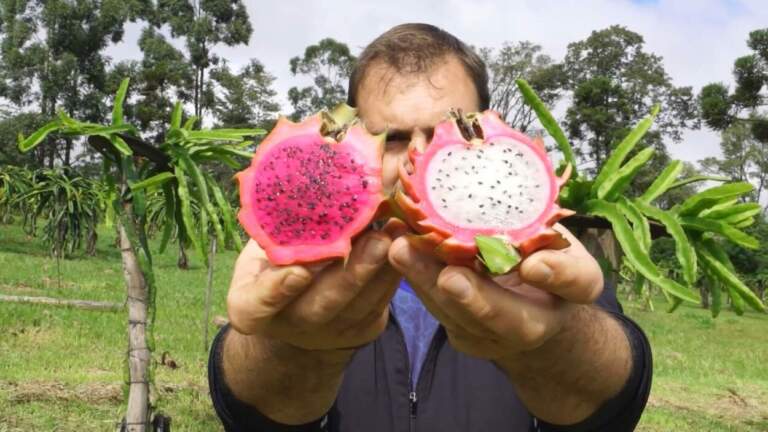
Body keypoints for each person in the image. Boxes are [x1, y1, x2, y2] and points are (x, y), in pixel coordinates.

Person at [208, 23, 652, 431]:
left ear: (489, 129)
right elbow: (248, 410)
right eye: (396, 138)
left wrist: (551, 339)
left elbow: (612, 402)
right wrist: (298, 347)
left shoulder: (541, 257)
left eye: (447, 132)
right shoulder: (306, 264)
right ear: (355, 142)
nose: (421, 158)